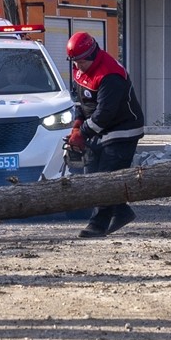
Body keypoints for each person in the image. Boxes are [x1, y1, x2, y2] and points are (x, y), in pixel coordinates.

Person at [64, 32, 145, 238]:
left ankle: (97, 225)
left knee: (106, 177)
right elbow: (82, 102)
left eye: (81, 61)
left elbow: (104, 114)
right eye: (75, 62)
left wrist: (82, 134)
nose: (78, 66)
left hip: (122, 130)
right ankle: (122, 211)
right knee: (91, 175)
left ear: (92, 54)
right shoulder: (80, 71)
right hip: (99, 129)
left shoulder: (110, 75)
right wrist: (77, 125)